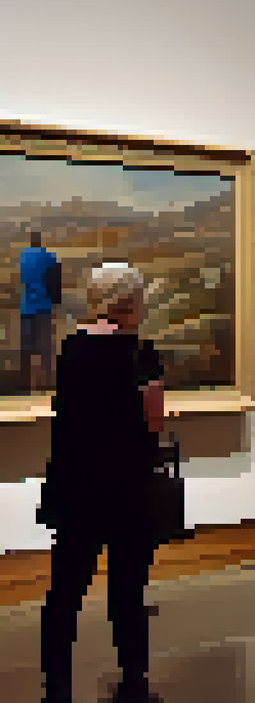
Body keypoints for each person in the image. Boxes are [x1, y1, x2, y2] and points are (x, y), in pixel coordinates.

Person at [37, 263, 166, 703]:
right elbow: (153, 419)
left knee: (65, 589)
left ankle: (55, 683)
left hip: (77, 483)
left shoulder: (72, 348)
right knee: (128, 589)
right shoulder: (139, 352)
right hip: (126, 485)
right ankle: (133, 678)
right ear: (127, 301)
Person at [18, 230, 62, 393]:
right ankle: (47, 385)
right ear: (41, 241)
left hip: (26, 307)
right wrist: (56, 302)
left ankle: (27, 385)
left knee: (26, 349)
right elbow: (56, 281)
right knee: (46, 349)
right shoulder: (49, 257)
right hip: (44, 307)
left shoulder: (23, 257)